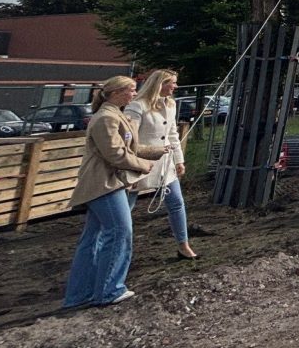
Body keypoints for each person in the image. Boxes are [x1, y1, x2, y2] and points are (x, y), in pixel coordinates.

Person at [63, 76, 168, 308]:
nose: (134, 94)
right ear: (116, 92)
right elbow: (115, 154)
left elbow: (129, 147)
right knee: (119, 231)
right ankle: (109, 290)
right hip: (104, 185)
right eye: (131, 90)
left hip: (108, 184)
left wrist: (157, 151)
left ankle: (79, 295)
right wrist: (143, 165)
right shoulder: (106, 118)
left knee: (94, 238)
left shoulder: (115, 116)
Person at [125, 69, 199, 260]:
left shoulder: (171, 105)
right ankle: (113, 245)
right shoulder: (137, 106)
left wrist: (179, 159)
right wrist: (130, 165)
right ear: (160, 84)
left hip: (165, 166)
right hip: (140, 164)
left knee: (176, 203)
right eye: (172, 82)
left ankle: (183, 245)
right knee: (126, 209)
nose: (175, 86)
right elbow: (128, 141)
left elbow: (172, 134)